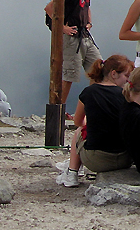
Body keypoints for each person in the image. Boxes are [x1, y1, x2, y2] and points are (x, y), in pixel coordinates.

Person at [56, 55, 134, 188]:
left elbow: (78, 121)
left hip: (96, 161)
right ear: (114, 74)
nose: (128, 80)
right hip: (126, 159)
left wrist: (90, 121)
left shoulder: (89, 92)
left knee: (79, 131)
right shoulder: (127, 95)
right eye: (126, 76)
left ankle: (72, 173)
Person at [44, 0, 101, 106]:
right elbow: (49, 8)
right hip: (71, 38)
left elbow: (87, 6)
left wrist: (89, 22)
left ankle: (93, 107)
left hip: (84, 35)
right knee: (69, 76)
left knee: (99, 70)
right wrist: (63, 28)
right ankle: (59, 110)